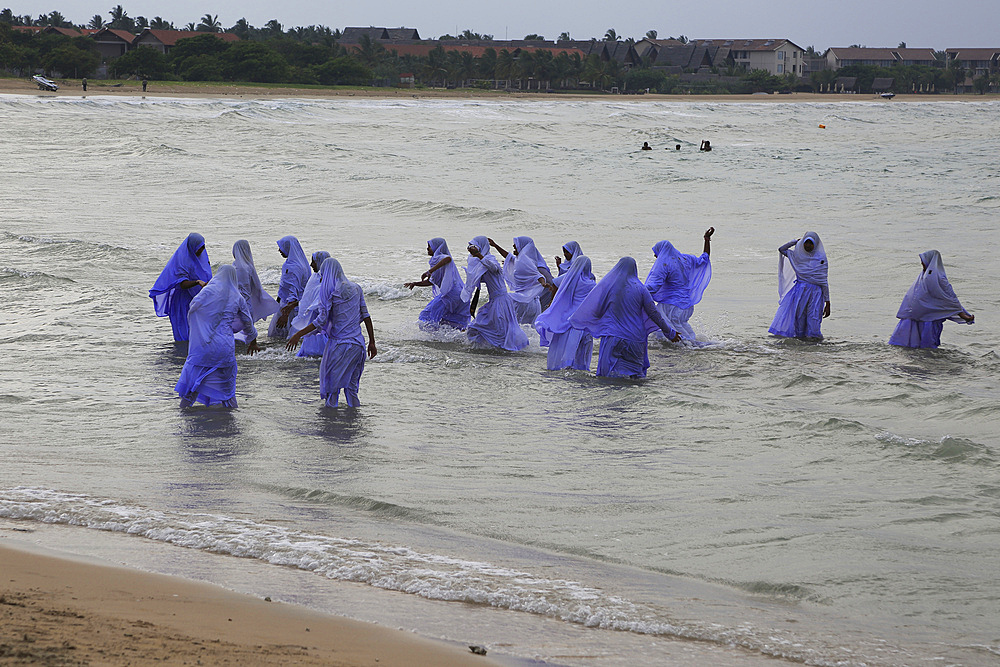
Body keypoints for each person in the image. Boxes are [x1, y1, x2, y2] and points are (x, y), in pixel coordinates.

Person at [287, 258, 377, 407]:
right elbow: (366, 316)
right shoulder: (356, 288)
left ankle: (330, 425)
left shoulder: (328, 293)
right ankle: (354, 424)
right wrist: (372, 342)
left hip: (339, 347)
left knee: (331, 390)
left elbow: (320, 322)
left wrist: (298, 334)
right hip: (358, 345)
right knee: (352, 389)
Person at [570, 257, 680, 378]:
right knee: (635, 377)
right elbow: (654, 313)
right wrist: (670, 332)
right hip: (636, 339)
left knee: (606, 377)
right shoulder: (641, 289)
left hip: (613, 337)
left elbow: (597, 311)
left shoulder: (609, 288)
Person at [175, 265, 260, 408]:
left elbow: (193, 310)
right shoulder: (237, 296)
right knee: (228, 390)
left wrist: (201, 329)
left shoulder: (206, 292)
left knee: (192, 388)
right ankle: (231, 421)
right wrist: (253, 341)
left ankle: (182, 418)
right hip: (224, 346)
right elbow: (248, 322)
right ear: (233, 278)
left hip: (202, 347)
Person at [888, 250, 974, 348]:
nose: (921, 263)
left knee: (926, 346)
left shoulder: (939, 278)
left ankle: (927, 360)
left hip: (931, 318)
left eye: (923, 261)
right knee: (908, 345)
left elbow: (950, 299)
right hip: (915, 316)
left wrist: (964, 316)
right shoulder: (923, 276)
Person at [644, 228, 714, 341]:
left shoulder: (664, 263)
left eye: (656, 254)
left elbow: (653, 286)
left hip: (670, 306)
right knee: (685, 335)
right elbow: (704, 259)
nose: (655, 257)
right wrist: (706, 239)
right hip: (687, 306)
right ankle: (693, 350)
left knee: (665, 333)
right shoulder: (686, 259)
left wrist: (634, 290)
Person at [461, 236, 529, 351]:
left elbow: (495, 268)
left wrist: (479, 255)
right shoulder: (480, 263)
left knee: (501, 329)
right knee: (478, 326)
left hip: (501, 301)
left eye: (474, 246)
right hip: (494, 300)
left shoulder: (489, 259)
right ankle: (483, 348)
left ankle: (508, 348)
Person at [534, 255, 597, 370]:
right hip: (582, 324)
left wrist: (552, 302)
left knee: (562, 352)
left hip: (566, 322)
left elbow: (555, 284)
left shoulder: (569, 279)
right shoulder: (591, 284)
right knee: (580, 356)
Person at [150, 232, 212, 342]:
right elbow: (182, 284)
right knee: (185, 333)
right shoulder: (183, 261)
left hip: (198, 299)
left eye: (203, 247)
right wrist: (197, 282)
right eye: (199, 248)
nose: (201, 251)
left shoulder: (202, 259)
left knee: (200, 333)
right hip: (183, 301)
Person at [768, 233, 830, 340]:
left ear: (815, 244)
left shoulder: (821, 259)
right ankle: (801, 344)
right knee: (799, 318)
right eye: (806, 243)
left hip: (816, 294)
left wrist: (827, 302)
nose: (808, 246)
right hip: (800, 292)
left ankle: (814, 343)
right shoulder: (797, 256)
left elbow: (823, 282)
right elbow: (781, 249)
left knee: (814, 318)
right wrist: (795, 241)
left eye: (811, 243)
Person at [404, 237, 470, 330]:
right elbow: (431, 282)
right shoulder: (435, 261)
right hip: (458, 293)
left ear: (437, 248)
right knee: (450, 319)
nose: (427, 249)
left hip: (451, 293)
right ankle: (454, 340)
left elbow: (448, 259)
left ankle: (433, 338)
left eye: (430, 246)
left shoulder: (440, 257)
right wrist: (415, 283)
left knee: (426, 315)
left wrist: (429, 271)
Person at [490, 236, 553, 324]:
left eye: (516, 244)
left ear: (522, 247)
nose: (513, 245)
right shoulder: (520, 260)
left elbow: (537, 275)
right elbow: (508, 256)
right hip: (531, 302)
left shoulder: (524, 261)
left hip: (523, 302)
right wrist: (495, 245)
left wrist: (543, 283)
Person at [232, 240, 280, 343]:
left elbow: (242, 291)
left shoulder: (239, 268)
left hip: (240, 306)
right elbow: (256, 288)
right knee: (245, 333)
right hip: (246, 305)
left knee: (240, 334)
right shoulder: (248, 266)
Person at [290, 250, 331, 357]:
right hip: (313, 320)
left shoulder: (327, 282)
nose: (311, 265)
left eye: (314, 262)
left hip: (321, 320)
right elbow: (307, 299)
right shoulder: (315, 277)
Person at [268, 235, 311, 340]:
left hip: (289, 308)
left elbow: (293, 292)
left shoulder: (293, 267)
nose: (279, 250)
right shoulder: (302, 264)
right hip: (297, 307)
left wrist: (285, 315)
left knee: (278, 336)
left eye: (281, 247)